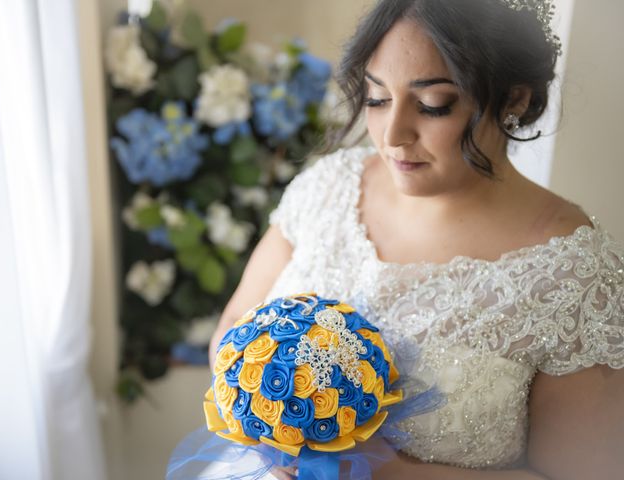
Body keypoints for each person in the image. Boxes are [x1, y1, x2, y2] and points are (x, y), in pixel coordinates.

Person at [208, 0, 624, 478]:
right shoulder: (328, 188)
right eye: (378, 98)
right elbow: (236, 325)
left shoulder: (573, 274)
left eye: (433, 105)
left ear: (515, 99)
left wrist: (387, 473)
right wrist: (273, 436)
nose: (392, 134)